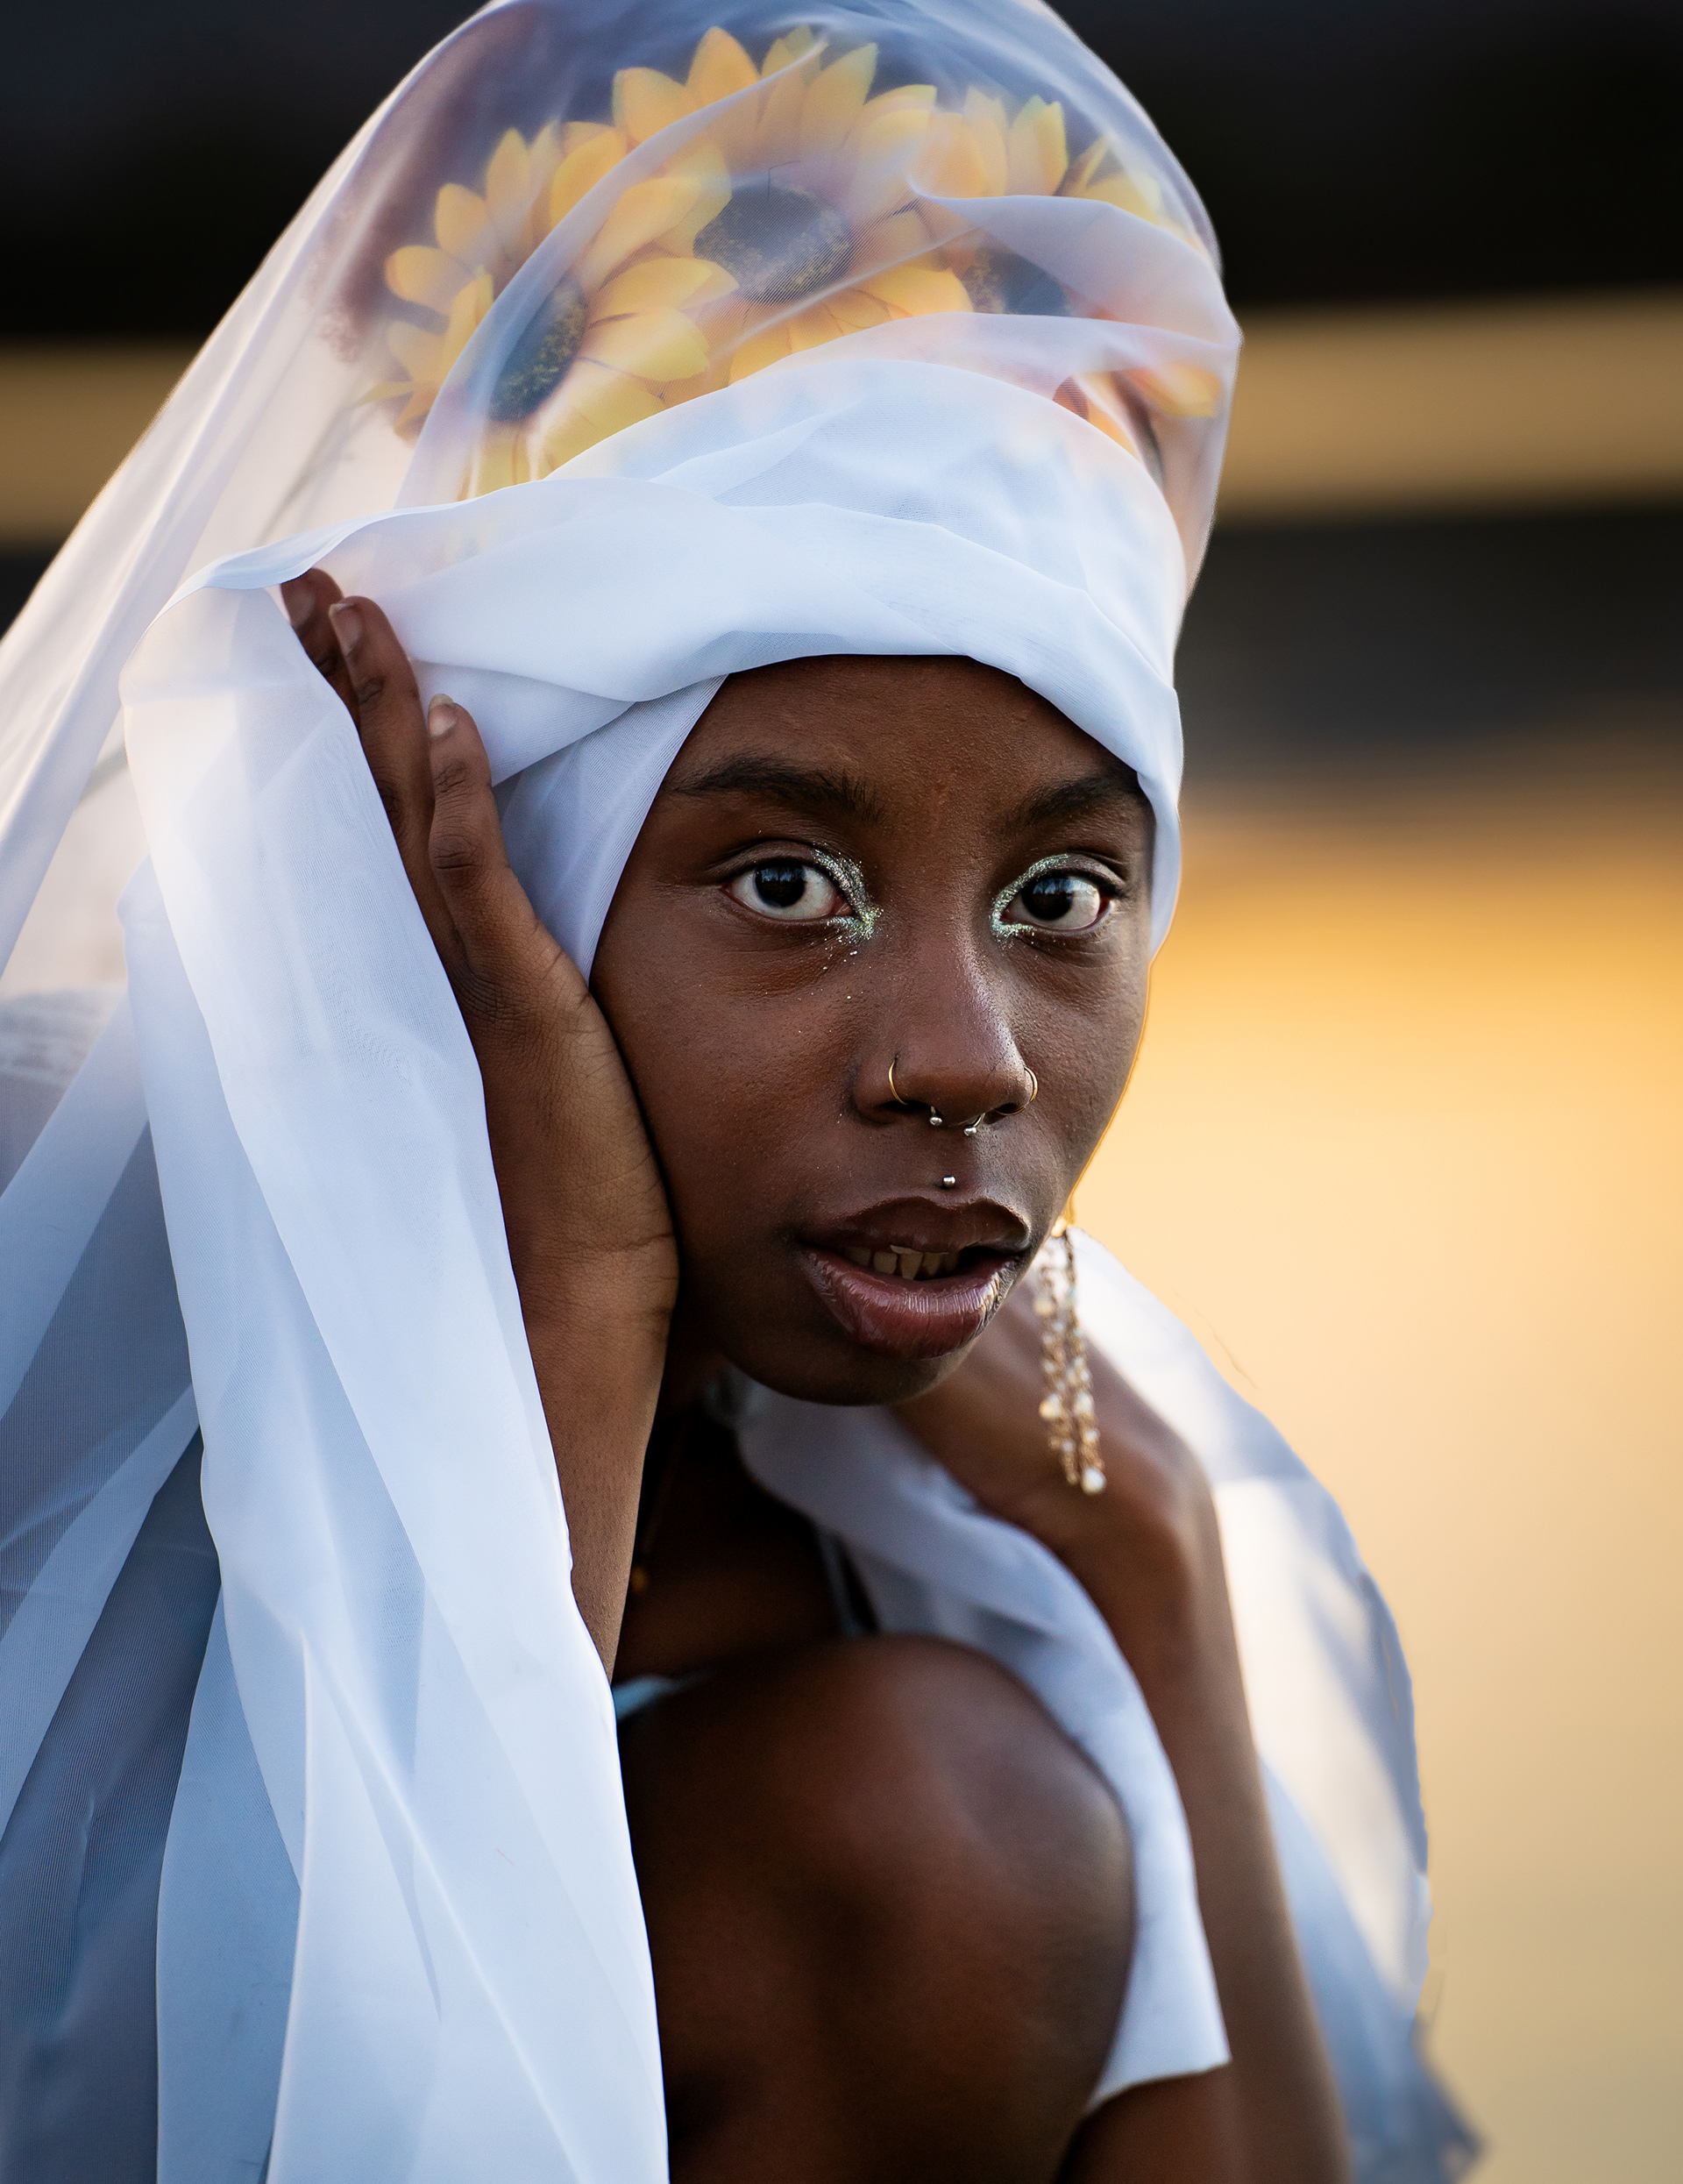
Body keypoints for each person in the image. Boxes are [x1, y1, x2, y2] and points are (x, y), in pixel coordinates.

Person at [0, 4, 1473, 2180]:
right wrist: (585, 1318)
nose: (968, 1058)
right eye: (789, 882)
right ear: (512, 853)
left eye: (1063, 893)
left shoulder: (981, 1474)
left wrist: (1151, 1567)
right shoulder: (63, 1265)